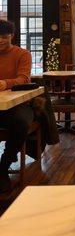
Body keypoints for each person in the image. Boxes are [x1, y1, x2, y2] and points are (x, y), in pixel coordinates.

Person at [0, 20, 33, 193]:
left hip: (18, 104)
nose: (0, 40)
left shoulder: (22, 54)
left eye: (4, 37)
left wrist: (5, 84)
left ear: (11, 36)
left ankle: (3, 167)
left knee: (20, 124)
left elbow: (24, 79)